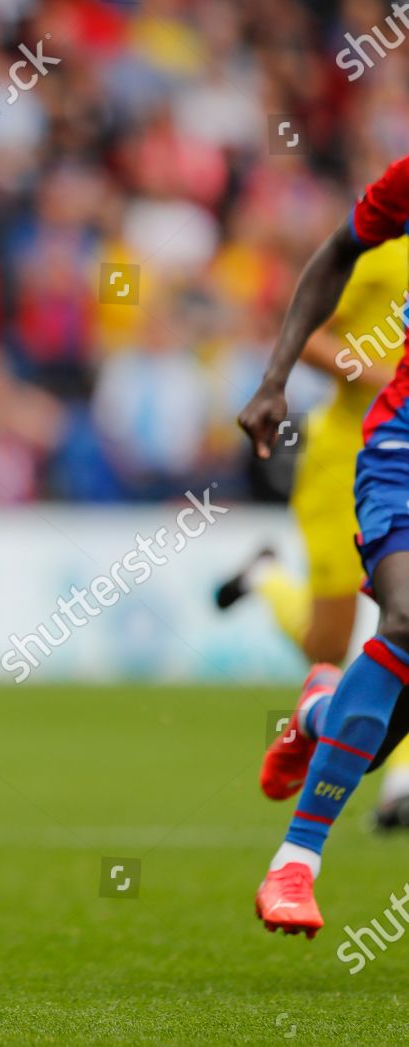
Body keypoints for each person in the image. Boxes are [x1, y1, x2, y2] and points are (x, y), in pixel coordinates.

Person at [241, 154, 409, 936]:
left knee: (373, 737)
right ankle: (296, 862)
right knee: (402, 620)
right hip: (392, 448)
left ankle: (316, 712)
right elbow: (334, 252)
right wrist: (277, 376)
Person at [217, 238, 409, 829]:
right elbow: (311, 334)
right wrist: (383, 372)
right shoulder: (380, 252)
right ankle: (269, 579)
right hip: (346, 463)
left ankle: (399, 781)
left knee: (404, 625)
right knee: (327, 644)